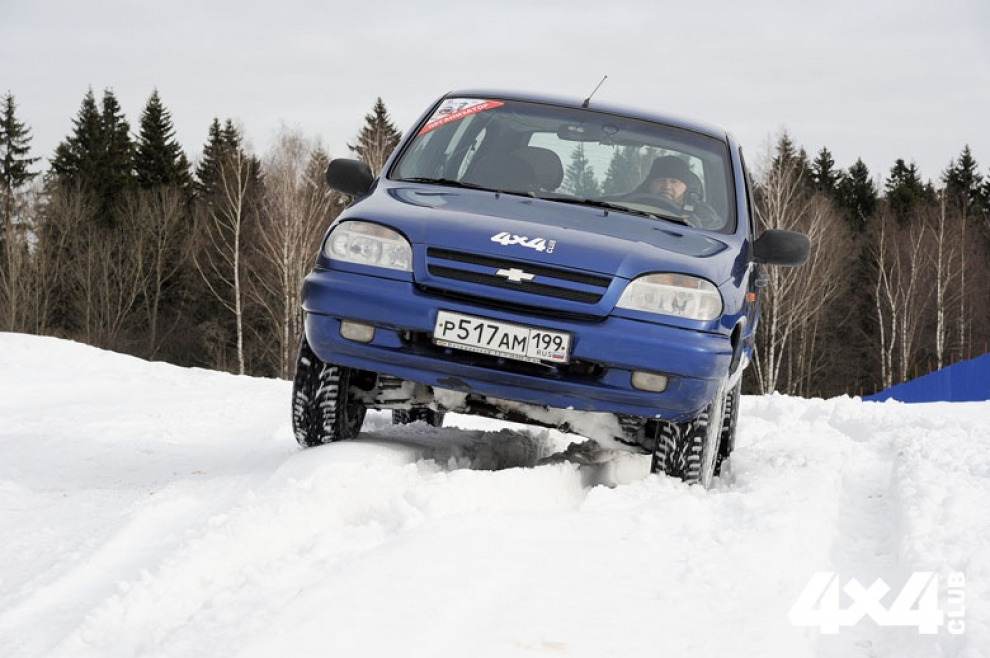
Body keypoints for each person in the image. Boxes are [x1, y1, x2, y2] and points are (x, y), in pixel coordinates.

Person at [631, 155, 722, 230]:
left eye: (674, 181)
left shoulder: (703, 214)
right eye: (660, 180)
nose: (667, 186)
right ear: (650, 184)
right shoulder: (629, 204)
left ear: (686, 187)